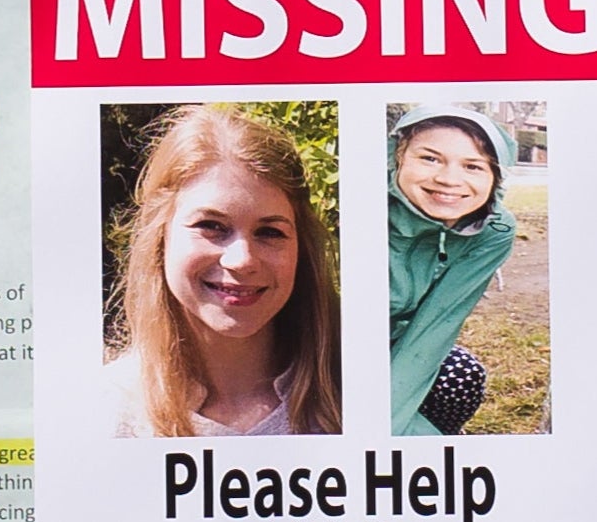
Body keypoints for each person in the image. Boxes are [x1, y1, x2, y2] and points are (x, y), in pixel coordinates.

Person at [103, 104, 344, 438]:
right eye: (211, 226)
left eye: (270, 232)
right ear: (160, 234)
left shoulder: (357, 398)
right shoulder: (101, 412)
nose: (242, 260)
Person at [383, 100, 518, 435]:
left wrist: (384, 433)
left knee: (459, 376)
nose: (448, 179)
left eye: (473, 166)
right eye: (430, 158)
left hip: (396, 345)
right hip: (323, 350)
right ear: (399, 155)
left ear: (494, 178)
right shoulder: (357, 203)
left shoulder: (493, 230)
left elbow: (433, 331)